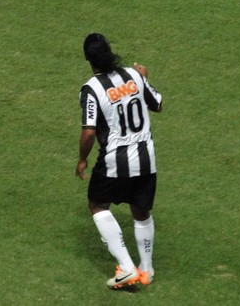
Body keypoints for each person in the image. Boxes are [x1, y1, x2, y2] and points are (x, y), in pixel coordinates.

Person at [76, 33, 162, 289]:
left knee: (98, 205)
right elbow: (158, 104)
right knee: (140, 210)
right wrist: (144, 79)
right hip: (147, 159)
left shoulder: (91, 88)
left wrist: (82, 159)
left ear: (89, 60)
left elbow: (89, 131)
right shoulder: (134, 75)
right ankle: (146, 270)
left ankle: (127, 267)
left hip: (116, 160)